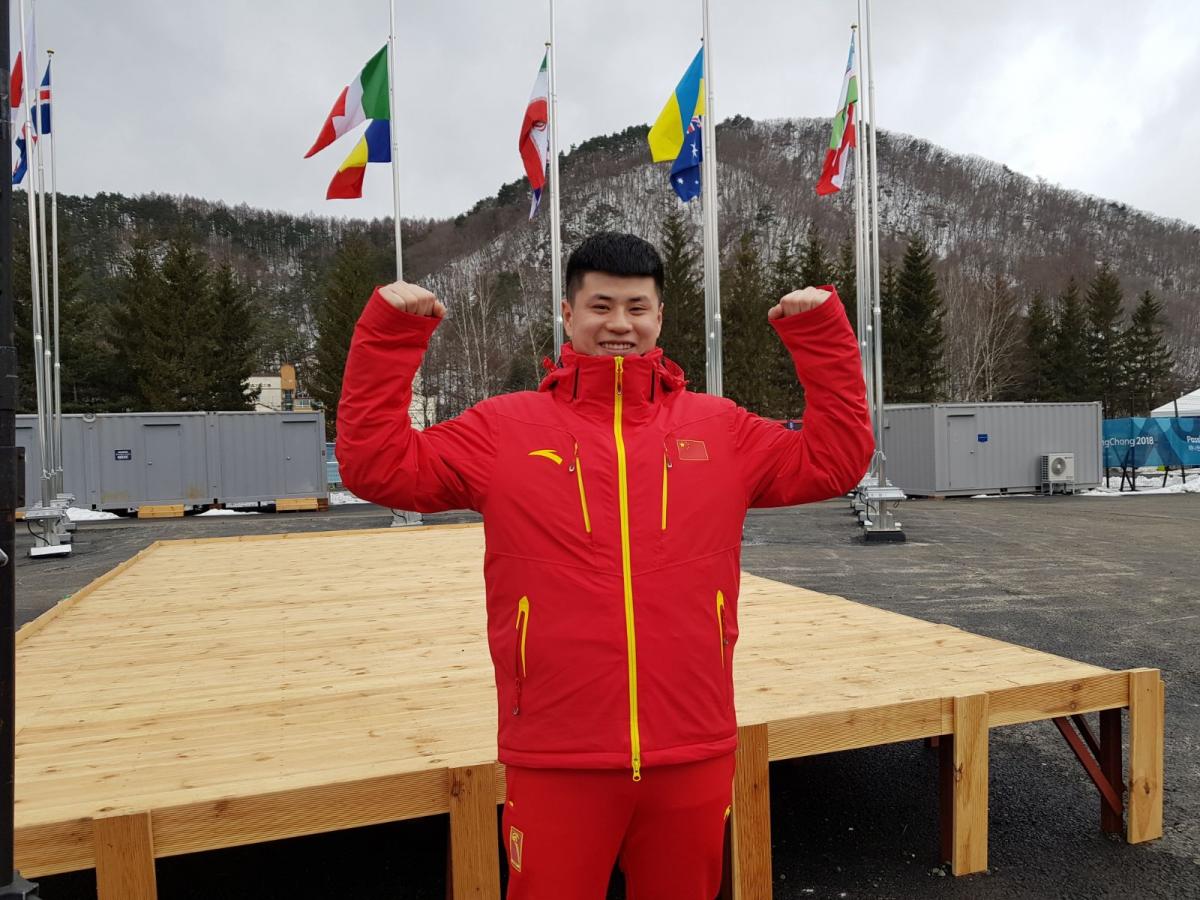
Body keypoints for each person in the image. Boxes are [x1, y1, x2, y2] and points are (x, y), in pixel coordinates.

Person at [337, 232, 873, 899]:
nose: (619, 323)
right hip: (557, 755)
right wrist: (390, 337)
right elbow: (376, 465)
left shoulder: (720, 429)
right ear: (568, 315)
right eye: (600, 305)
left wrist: (821, 337)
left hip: (692, 746)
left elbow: (835, 458)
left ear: (659, 316)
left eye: (637, 307)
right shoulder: (504, 430)